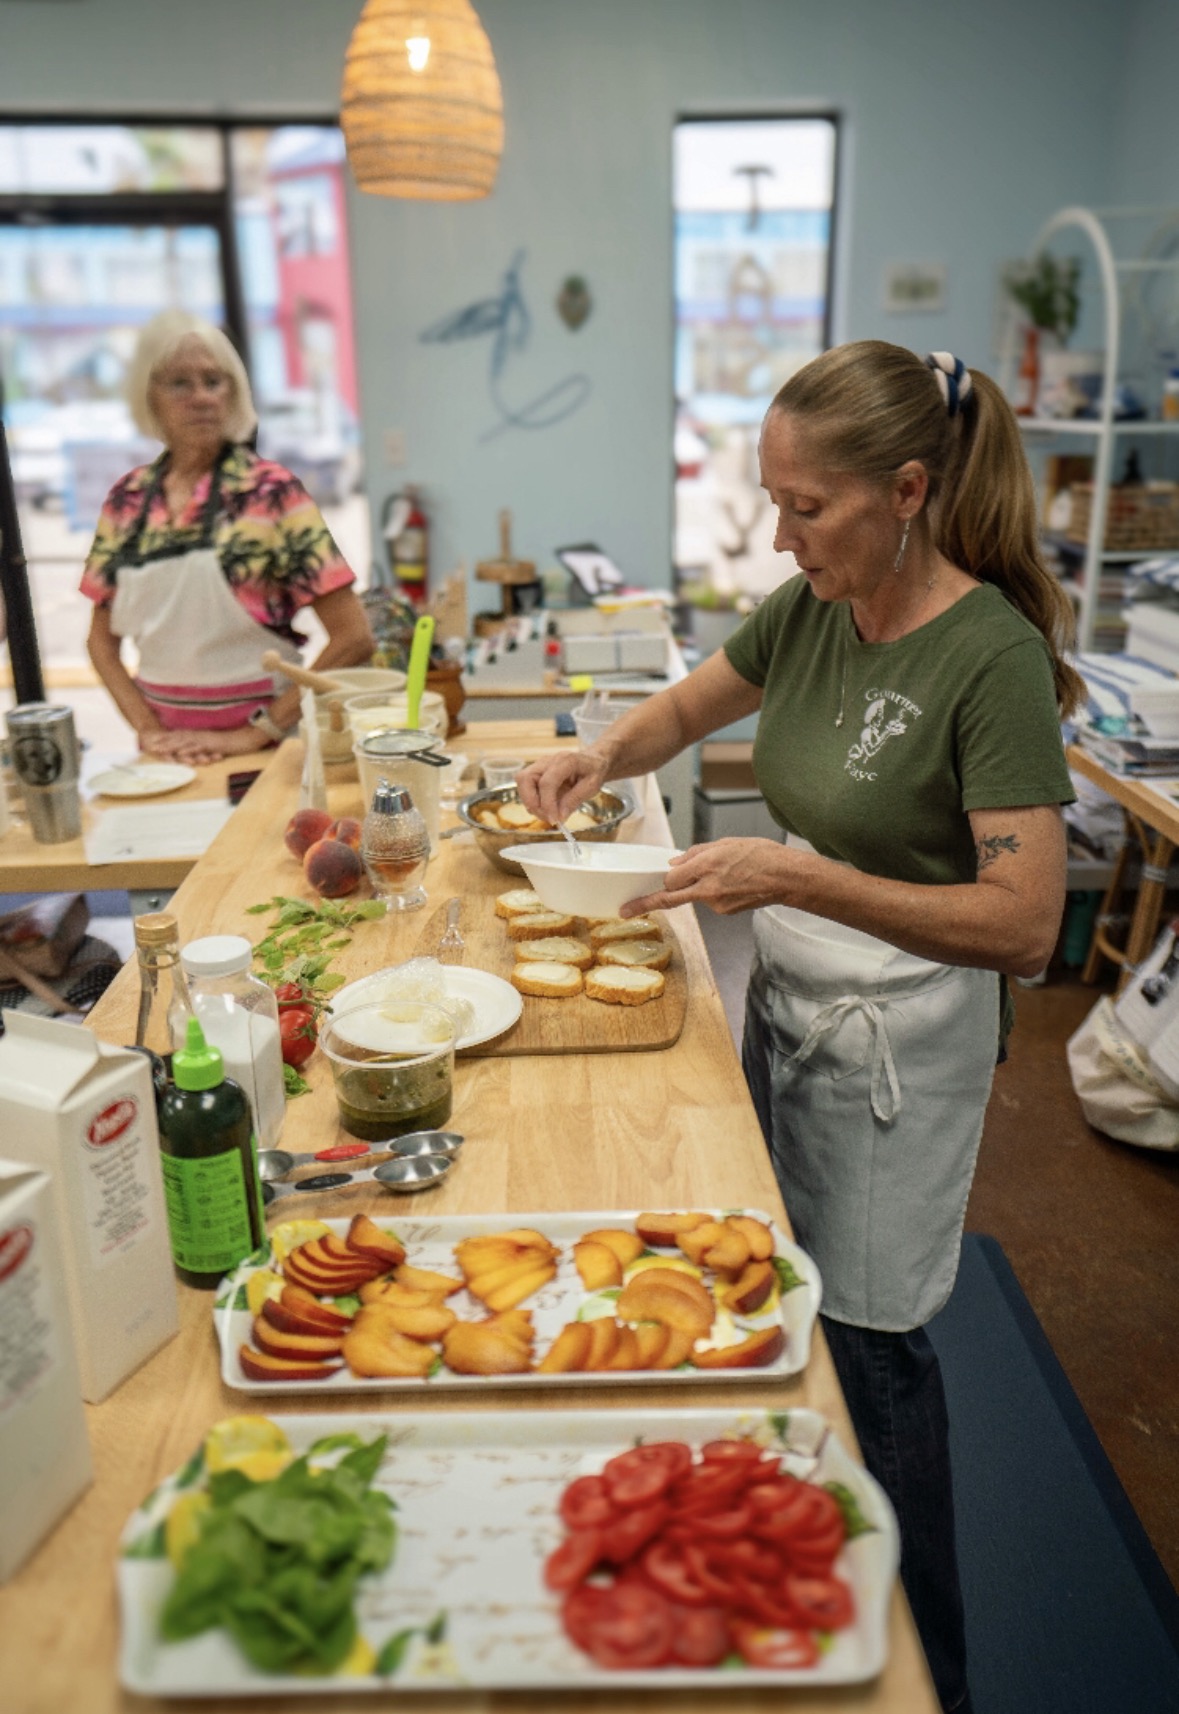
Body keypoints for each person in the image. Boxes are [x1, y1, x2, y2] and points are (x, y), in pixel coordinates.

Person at [519, 342, 1082, 1714]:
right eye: (770, 502)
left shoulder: (986, 656)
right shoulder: (812, 604)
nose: (779, 533)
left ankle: (919, 1660)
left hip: (901, 1031)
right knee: (795, 1290)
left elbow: (1019, 923)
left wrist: (796, 872)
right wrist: (597, 752)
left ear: (902, 490)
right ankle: (797, 1573)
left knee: (877, 1337)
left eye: (805, 507)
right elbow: (682, 708)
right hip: (795, 992)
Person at [80, 310, 373, 763]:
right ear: (148, 395)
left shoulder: (272, 494)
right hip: (170, 756)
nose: (201, 398)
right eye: (180, 383)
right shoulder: (127, 501)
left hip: (269, 752)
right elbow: (100, 642)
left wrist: (258, 732)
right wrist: (148, 729)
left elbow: (353, 637)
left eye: (213, 382)